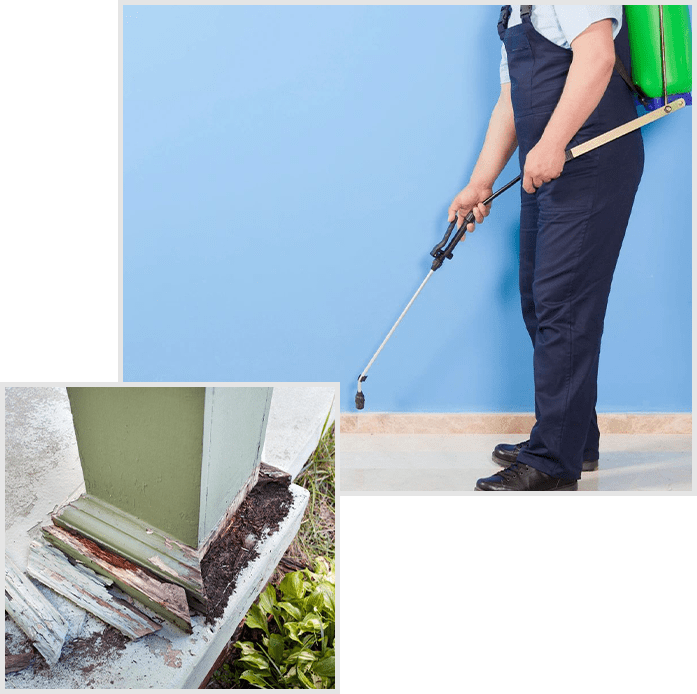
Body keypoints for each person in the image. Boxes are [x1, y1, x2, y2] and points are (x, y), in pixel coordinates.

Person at [448, 6, 644, 491]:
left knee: (564, 305)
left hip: (589, 156)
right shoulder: (516, 10)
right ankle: (574, 437)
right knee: (541, 300)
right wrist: (481, 183)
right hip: (548, 165)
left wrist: (553, 143)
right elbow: (511, 100)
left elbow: (597, 57)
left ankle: (554, 460)